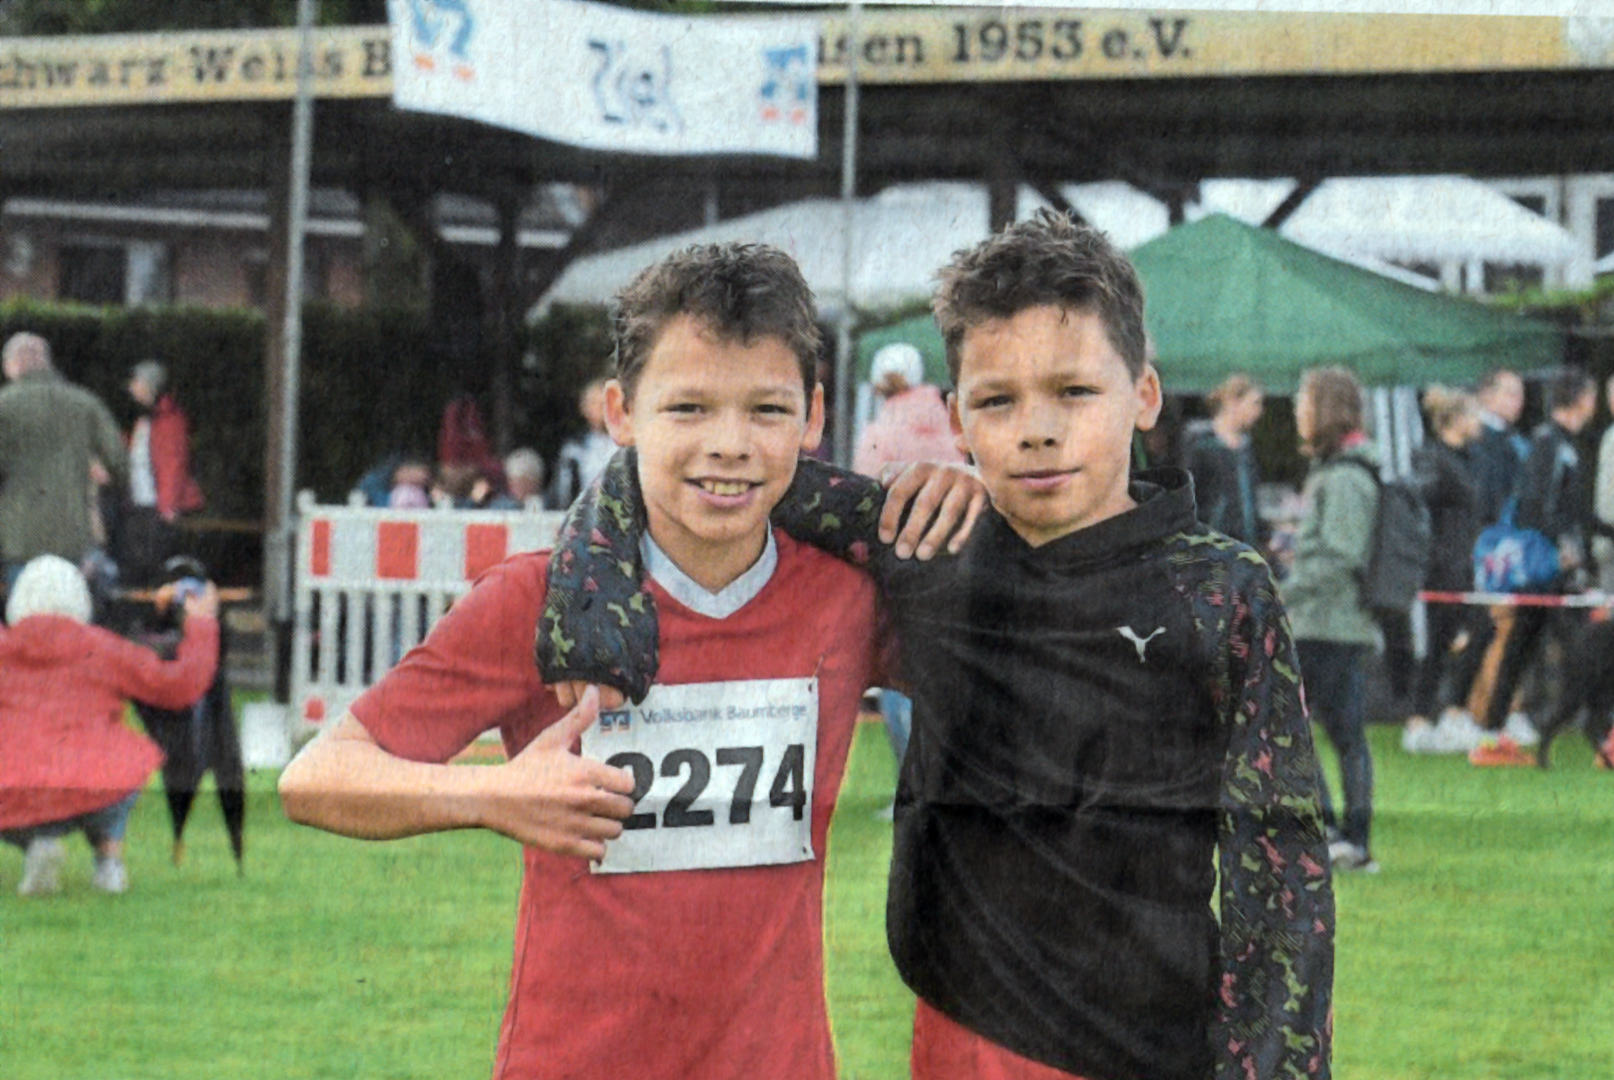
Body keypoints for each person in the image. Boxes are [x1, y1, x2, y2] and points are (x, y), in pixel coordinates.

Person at [542, 212, 1335, 1080]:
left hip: (1157, 1047)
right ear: (956, 419)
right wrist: (592, 602)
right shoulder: (924, 543)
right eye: (998, 401)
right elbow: (683, 459)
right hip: (966, 1040)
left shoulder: (1222, 591)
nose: (1036, 429)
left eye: (1074, 392)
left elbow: (1280, 860)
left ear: (1143, 395)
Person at [277, 242, 980, 1080]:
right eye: (687, 409)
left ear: (814, 416)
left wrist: (979, 511)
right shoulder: (533, 600)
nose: (730, 445)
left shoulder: (849, 597)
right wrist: (490, 793)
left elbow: (1029, 677)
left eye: (766, 409)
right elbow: (316, 778)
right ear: (621, 413)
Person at [0, 555, 219, 895]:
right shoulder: (102, 648)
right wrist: (202, 624)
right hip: (93, 784)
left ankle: (36, 844)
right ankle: (108, 859)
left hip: (13, 791)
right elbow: (177, 687)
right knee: (128, 760)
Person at [1471, 368, 1599, 767]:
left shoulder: (1562, 444)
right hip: (1544, 570)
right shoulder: (1549, 444)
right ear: (1581, 400)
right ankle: (1602, 735)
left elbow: (1570, 511)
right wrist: (1565, 547)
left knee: (1522, 649)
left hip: (1549, 571)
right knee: (1585, 648)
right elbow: (1534, 508)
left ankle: (1493, 736)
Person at [852, 341, 966, 789]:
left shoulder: (879, 431)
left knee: (901, 675)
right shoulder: (946, 425)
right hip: (953, 564)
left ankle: (913, 783)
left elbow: (864, 506)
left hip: (899, 566)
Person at [1282, 367, 1382, 872]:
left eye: (1303, 402)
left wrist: (1283, 591)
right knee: (1313, 732)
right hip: (1320, 623)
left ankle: (1349, 838)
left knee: (1337, 735)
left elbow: (1341, 554)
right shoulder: (1336, 470)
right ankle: (1338, 834)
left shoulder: (1344, 478)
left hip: (1330, 625)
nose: (1297, 412)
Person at [1400, 387, 1492, 755]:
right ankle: (1447, 715)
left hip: (1465, 565)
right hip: (1444, 569)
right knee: (1478, 629)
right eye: (1473, 414)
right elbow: (1416, 499)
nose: (1479, 422)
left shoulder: (1467, 458)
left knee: (1442, 644)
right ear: (1454, 420)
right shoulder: (1433, 458)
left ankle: (1422, 720)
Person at [0, 332, 127, 591]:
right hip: (73, 535)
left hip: (18, 538)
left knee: (25, 619)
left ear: (13, 364)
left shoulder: (4, 405)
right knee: (69, 617)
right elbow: (119, 460)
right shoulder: (84, 403)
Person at [120, 359, 205, 586]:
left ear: (150, 385)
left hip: (155, 508)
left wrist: (167, 506)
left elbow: (173, 464)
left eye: (135, 382)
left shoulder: (168, 420)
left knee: (152, 565)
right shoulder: (145, 418)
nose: (131, 387)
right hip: (142, 503)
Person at [1184, 373, 1267, 545]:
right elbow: (1187, 498)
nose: (1259, 411)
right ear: (1232, 402)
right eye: (1254, 403)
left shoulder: (1246, 449)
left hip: (1245, 547)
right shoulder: (1201, 443)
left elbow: (1251, 501)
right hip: (1211, 546)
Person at [546, 376, 616, 508]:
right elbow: (562, 493)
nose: (601, 410)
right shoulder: (574, 448)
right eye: (595, 403)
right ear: (584, 408)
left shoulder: (630, 444)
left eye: (605, 403)